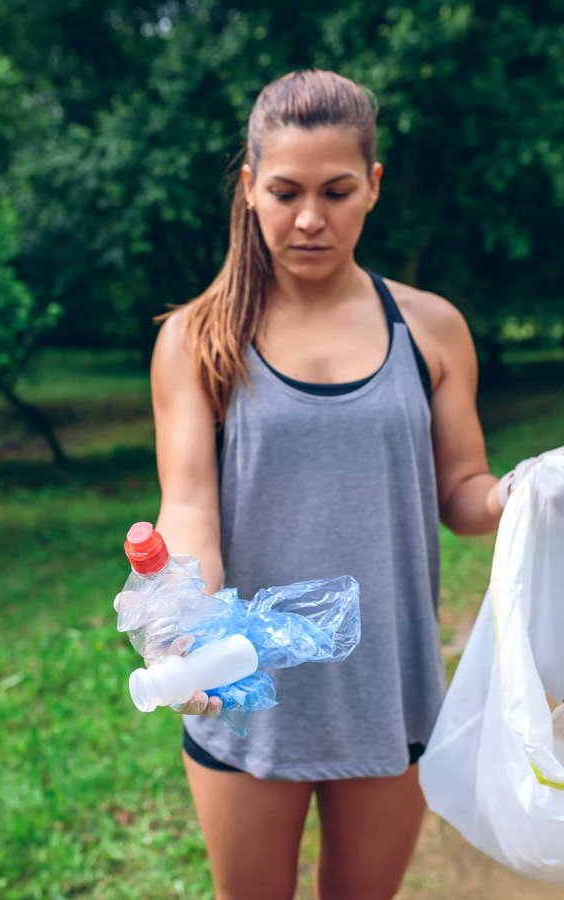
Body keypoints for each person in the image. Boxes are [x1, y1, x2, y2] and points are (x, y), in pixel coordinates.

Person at [149, 69, 561, 900]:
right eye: (285, 191)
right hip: (251, 691)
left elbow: (464, 494)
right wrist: (189, 632)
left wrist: (529, 493)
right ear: (249, 188)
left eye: (337, 191)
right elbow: (189, 506)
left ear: (372, 187)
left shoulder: (430, 328)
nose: (310, 218)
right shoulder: (199, 337)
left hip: (389, 690)